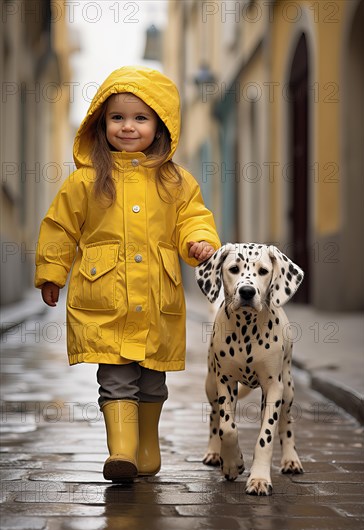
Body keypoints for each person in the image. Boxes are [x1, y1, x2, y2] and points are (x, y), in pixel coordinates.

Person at [35, 66, 221, 482]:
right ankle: (121, 453)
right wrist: (52, 270)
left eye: (141, 118)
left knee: (153, 379)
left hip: (158, 300)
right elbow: (60, 227)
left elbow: (193, 218)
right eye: (117, 117)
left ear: (160, 126)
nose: (128, 126)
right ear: (102, 124)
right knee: (116, 378)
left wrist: (198, 242)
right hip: (106, 300)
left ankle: (146, 448)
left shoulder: (176, 181)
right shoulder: (85, 182)